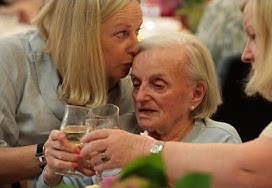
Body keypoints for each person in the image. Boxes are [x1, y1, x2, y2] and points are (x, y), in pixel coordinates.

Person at [81, 0, 272, 187]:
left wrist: (144, 150)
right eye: (136, 84)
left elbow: (248, 170)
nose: (246, 54)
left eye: (254, 36)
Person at [39, 32, 242, 187]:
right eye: (136, 83)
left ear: (196, 94)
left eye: (158, 85)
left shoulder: (220, 142)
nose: (140, 96)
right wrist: (52, 172)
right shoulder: (117, 132)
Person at [0, 0, 142, 187]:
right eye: (122, 34)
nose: (136, 46)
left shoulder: (135, 77)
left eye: (137, 31)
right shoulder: (11, 58)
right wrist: (46, 154)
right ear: (82, 35)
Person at [195, 0, 246, 67]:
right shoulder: (248, 3)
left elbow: (204, 45)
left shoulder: (218, 5)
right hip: (243, 64)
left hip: (222, 67)